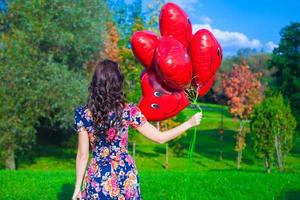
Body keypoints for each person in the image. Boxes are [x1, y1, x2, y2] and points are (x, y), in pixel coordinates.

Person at [72, 59, 202, 200]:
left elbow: (82, 155)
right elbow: (160, 138)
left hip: (97, 178)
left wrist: (77, 188)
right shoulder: (129, 111)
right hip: (125, 176)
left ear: (95, 84)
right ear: (118, 83)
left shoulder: (83, 113)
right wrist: (189, 123)